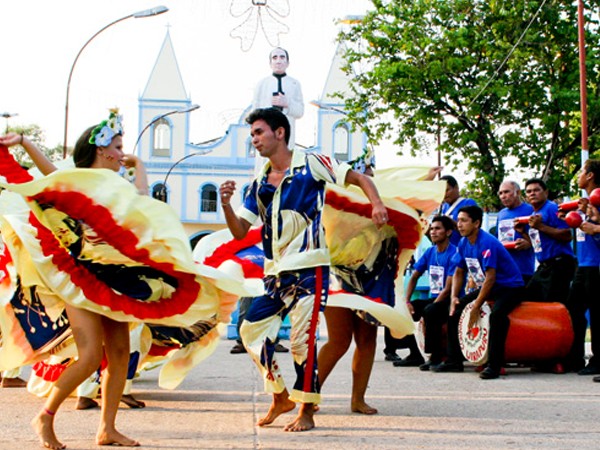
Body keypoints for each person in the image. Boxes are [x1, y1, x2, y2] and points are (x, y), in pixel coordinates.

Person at [219, 107, 387, 431]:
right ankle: (280, 396)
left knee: (301, 341)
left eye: (258, 132)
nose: (254, 139)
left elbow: (359, 177)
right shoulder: (257, 184)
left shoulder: (312, 163)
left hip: (310, 270)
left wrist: (376, 203)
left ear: (279, 132)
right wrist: (226, 204)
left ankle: (306, 411)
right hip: (275, 274)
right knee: (249, 330)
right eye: (252, 133)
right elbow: (241, 230)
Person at [0, 110, 145, 448]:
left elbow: (143, 204)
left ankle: (107, 429)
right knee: (91, 354)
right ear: (102, 150)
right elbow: (48, 176)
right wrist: (24, 141)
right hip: (80, 279)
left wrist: (141, 168)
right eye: (119, 147)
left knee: (120, 352)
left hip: (115, 277)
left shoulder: (118, 184)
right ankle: (45, 417)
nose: (123, 153)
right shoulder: (78, 180)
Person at [432, 205, 524, 379]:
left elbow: (491, 278)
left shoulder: (487, 242)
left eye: (464, 220)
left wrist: (476, 306)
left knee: (497, 316)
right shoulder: (463, 242)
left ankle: (494, 365)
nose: (459, 224)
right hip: (490, 287)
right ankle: (454, 361)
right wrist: (453, 298)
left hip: (510, 287)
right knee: (455, 311)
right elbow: (459, 271)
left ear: (476, 223)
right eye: (458, 220)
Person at [397, 215, 458, 371]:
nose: (433, 232)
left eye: (438, 229)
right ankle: (415, 354)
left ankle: (435, 357)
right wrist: (407, 302)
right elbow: (414, 277)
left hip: (449, 299)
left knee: (430, 311)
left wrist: (434, 304)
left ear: (449, 232)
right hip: (433, 298)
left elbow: (449, 288)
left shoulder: (454, 253)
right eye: (431, 229)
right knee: (404, 311)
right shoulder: (430, 252)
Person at [516, 178, 576, 304]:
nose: (532, 193)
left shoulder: (552, 208)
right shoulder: (534, 213)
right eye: (529, 191)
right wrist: (523, 232)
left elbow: (567, 235)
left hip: (559, 263)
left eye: (536, 190)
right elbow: (537, 243)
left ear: (546, 193)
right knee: (528, 300)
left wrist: (540, 226)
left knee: (553, 305)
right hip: (544, 266)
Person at [566, 160, 600, 375]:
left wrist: (596, 227)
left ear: (589, 176)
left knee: (596, 314)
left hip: (596, 265)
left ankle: (598, 361)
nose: (578, 175)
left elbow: (594, 229)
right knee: (574, 311)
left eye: (581, 172)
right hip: (583, 265)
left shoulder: (598, 199)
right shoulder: (585, 203)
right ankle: (575, 358)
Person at [251, 47, 304, 174]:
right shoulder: (262, 84)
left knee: (287, 165)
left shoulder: (294, 84)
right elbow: (254, 114)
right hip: (266, 134)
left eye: (282, 57)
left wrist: (287, 104)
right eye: (275, 58)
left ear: (287, 62)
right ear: (270, 63)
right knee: (264, 167)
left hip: (286, 134)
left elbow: (300, 111)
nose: (278, 61)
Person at [496, 181, 535, 283]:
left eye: (506, 192)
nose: (503, 196)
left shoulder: (531, 210)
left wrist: (529, 243)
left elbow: (542, 239)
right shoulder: (501, 214)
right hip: (504, 270)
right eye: (500, 193)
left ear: (518, 193)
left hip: (523, 269)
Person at [439, 175, 478, 245]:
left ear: (456, 188)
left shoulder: (468, 203)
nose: (444, 194)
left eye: (447, 190)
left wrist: (452, 223)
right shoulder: (444, 207)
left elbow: (474, 230)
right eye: (441, 191)